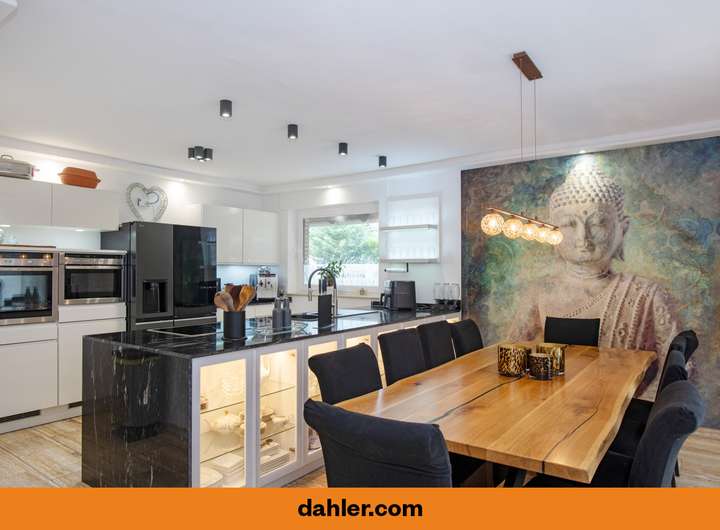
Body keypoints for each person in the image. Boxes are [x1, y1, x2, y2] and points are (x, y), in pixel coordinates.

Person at [508, 156, 681, 398]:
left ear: (622, 228)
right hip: (553, 395)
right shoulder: (540, 292)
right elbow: (513, 352)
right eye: (570, 224)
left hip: (621, 404)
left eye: (598, 223)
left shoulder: (647, 295)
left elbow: (679, 368)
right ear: (552, 231)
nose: (583, 237)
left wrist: (640, 408)